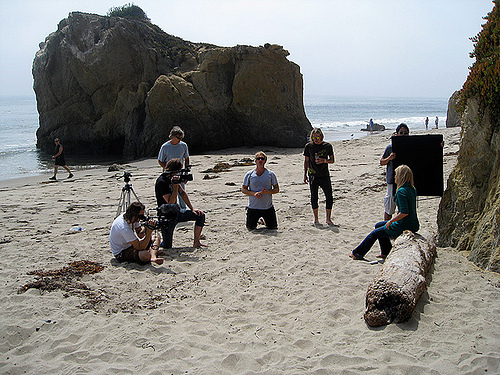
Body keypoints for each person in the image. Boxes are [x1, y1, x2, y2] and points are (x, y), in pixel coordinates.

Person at [349, 165, 419, 260]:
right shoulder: (412, 189)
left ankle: (357, 253)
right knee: (378, 225)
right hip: (413, 222)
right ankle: (386, 251)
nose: (394, 177)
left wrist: (391, 221)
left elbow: (404, 212)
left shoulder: (401, 191)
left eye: (396, 175)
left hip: (404, 224)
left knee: (375, 233)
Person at [155, 158, 206, 248]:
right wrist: (174, 187)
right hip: (166, 216)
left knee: (200, 215)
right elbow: (170, 202)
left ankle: (196, 242)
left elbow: (182, 193)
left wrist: (192, 208)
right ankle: (157, 241)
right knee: (167, 245)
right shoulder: (162, 182)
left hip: (176, 212)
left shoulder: (173, 179)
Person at [303, 128, 335, 225]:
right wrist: (304, 174)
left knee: (329, 196)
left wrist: (324, 160)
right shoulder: (309, 146)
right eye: (313, 137)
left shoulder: (327, 146)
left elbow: (332, 160)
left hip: (324, 174)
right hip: (313, 175)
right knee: (314, 197)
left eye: (317, 137)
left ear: (321, 136)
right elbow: (306, 161)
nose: (316, 139)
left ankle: (328, 219)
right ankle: (316, 219)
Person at [242, 151, 280, 230]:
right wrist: (254, 194)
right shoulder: (249, 174)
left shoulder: (270, 174)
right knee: (250, 228)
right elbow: (243, 189)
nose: (260, 160)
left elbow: (277, 189)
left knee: (273, 228)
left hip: (267, 208)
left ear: (265, 161)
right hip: (253, 207)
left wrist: (268, 192)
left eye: (262, 158)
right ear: (255, 161)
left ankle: (264, 221)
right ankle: (260, 221)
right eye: (258, 158)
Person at [380, 123, 409, 221]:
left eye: (405, 133)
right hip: (392, 181)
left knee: (402, 207)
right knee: (389, 207)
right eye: (401, 133)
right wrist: (389, 158)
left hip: (405, 181)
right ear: (396, 134)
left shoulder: (411, 146)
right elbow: (382, 162)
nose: (403, 135)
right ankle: (385, 228)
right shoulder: (390, 148)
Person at [158, 126, 190, 210]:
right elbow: (160, 160)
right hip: (169, 175)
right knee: (172, 193)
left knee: (181, 191)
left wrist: (186, 173)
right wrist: (168, 170)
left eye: (181, 138)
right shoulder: (165, 147)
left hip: (180, 173)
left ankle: (184, 209)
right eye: (178, 137)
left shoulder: (183, 145)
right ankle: (174, 209)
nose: (180, 139)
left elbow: (186, 158)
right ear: (172, 136)